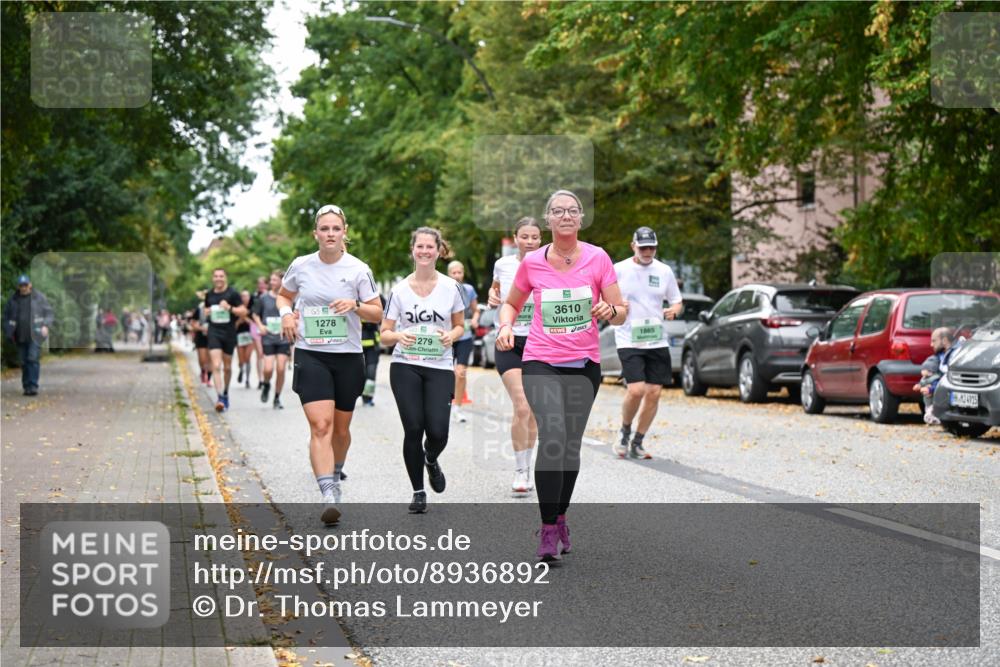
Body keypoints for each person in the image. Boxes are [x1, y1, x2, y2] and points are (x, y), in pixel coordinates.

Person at [496, 190, 627, 561]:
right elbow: (511, 304)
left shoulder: (598, 258)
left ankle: (562, 515)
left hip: (584, 365)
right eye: (558, 211)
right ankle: (547, 527)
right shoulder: (533, 262)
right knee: (552, 436)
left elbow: (621, 311)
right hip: (541, 361)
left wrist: (609, 310)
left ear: (581, 218)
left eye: (572, 210)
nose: (565, 215)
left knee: (569, 446)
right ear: (548, 219)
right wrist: (505, 325)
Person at [277, 204, 382, 526]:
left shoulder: (358, 269)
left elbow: (377, 313)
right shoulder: (301, 265)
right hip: (311, 354)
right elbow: (284, 296)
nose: (330, 234)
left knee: (340, 429)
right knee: (320, 426)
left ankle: (335, 472)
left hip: (348, 356)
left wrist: (355, 304)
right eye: (325, 229)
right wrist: (286, 315)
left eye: (336, 228)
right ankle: (328, 492)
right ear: (316, 234)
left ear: (344, 232)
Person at [381, 227, 465, 514]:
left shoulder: (451, 287)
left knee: (438, 432)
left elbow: (460, 325)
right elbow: (384, 334)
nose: (425, 251)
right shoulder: (399, 290)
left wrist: (451, 336)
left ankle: (430, 458)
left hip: (439, 365)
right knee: (414, 428)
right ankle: (418, 491)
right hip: (405, 364)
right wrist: (398, 336)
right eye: (420, 246)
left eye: (430, 247)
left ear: (438, 251)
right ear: (413, 250)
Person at [612, 227, 683, 459]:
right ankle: (624, 431)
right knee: (636, 390)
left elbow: (677, 300)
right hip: (628, 337)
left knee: (653, 392)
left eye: (651, 247)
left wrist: (674, 310)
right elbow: (603, 297)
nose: (647, 251)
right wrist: (617, 304)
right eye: (643, 247)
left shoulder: (664, 271)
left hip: (656, 339)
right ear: (633, 246)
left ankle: (638, 442)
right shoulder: (619, 269)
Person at [488, 217, 543, 493]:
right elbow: (495, 289)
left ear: (541, 239)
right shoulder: (503, 264)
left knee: (531, 410)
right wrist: (492, 296)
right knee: (522, 405)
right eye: (525, 237)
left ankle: (527, 466)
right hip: (508, 340)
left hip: (540, 343)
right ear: (516, 238)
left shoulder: (549, 264)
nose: (530, 242)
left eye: (534, 237)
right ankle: (520, 471)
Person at [3, 275, 55, 396]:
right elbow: (6, 317)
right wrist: (8, 330)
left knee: (32, 358)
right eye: (21, 285)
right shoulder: (13, 300)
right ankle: (26, 386)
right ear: (18, 286)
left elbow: (49, 313)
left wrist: (46, 325)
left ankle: (33, 385)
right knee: (23, 361)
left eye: (25, 285)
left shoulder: (39, 298)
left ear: (30, 285)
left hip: (35, 334)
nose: (23, 288)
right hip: (19, 336)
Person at [205, 268, 247, 411]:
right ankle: (220, 398)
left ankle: (225, 392)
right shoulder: (209, 294)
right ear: (213, 278)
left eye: (221, 276)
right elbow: (206, 310)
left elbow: (244, 312)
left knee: (227, 367)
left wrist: (229, 308)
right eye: (216, 276)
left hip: (229, 332)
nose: (218, 278)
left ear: (225, 278)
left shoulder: (232, 293)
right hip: (214, 331)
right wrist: (207, 312)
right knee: (216, 365)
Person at [446, 260, 480, 423]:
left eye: (459, 272)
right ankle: (444, 405)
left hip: (465, 337)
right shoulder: (443, 289)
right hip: (448, 337)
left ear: (463, 273)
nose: (457, 275)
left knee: (460, 372)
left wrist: (475, 319)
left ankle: (457, 408)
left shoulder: (469, 290)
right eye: (454, 273)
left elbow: (476, 310)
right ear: (449, 274)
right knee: (446, 373)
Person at [252, 270, 291, 409]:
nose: (271, 282)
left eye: (274, 280)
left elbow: (294, 313)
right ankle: (266, 384)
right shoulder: (263, 298)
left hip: (283, 338)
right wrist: (260, 326)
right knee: (268, 368)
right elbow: (255, 314)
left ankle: (277, 398)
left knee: (281, 368)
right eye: (271, 280)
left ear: (281, 281)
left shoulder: (288, 297)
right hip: (268, 337)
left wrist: (289, 323)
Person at [913, 327, 955, 425]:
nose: (931, 344)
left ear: (944, 340)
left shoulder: (955, 355)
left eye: (934, 341)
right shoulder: (939, 357)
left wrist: (932, 389)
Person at [360, 294, 387, 406]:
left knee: (370, 372)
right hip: (359, 344)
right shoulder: (353, 296)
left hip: (370, 343)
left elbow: (385, 314)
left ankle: (367, 397)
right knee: (363, 372)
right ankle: (363, 397)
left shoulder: (378, 297)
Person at [189, 292, 212, 385]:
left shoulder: (216, 308)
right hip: (201, 336)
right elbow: (192, 322)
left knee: (211, 358)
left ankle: (209, 378)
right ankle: (203, 371)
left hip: (213, 336)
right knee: (202, 359)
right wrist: (200, 328)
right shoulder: (200, 308)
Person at [235, 290, 254, 388]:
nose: (244, 298)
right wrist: (240, 320)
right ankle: (241, 370)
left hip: (250, 336)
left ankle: (247, 379)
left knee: (248, 358)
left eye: (246, 296)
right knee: (241, 359)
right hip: (239, 336)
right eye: (242, 296)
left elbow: (254, 324)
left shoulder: (252, 309)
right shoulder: (237, 309)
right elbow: (234, 326)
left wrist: (246, 318)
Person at [251, 276, 268, 387]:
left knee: (267, 354)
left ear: (267, 284)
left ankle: (266, 376)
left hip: (269, 326)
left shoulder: (272, 296)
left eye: (263, 283)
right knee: (260, 353)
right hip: (256, 325)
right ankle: (260, 379)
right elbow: (250, 311)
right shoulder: (254, 296)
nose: (261, 285)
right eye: (259, 283)